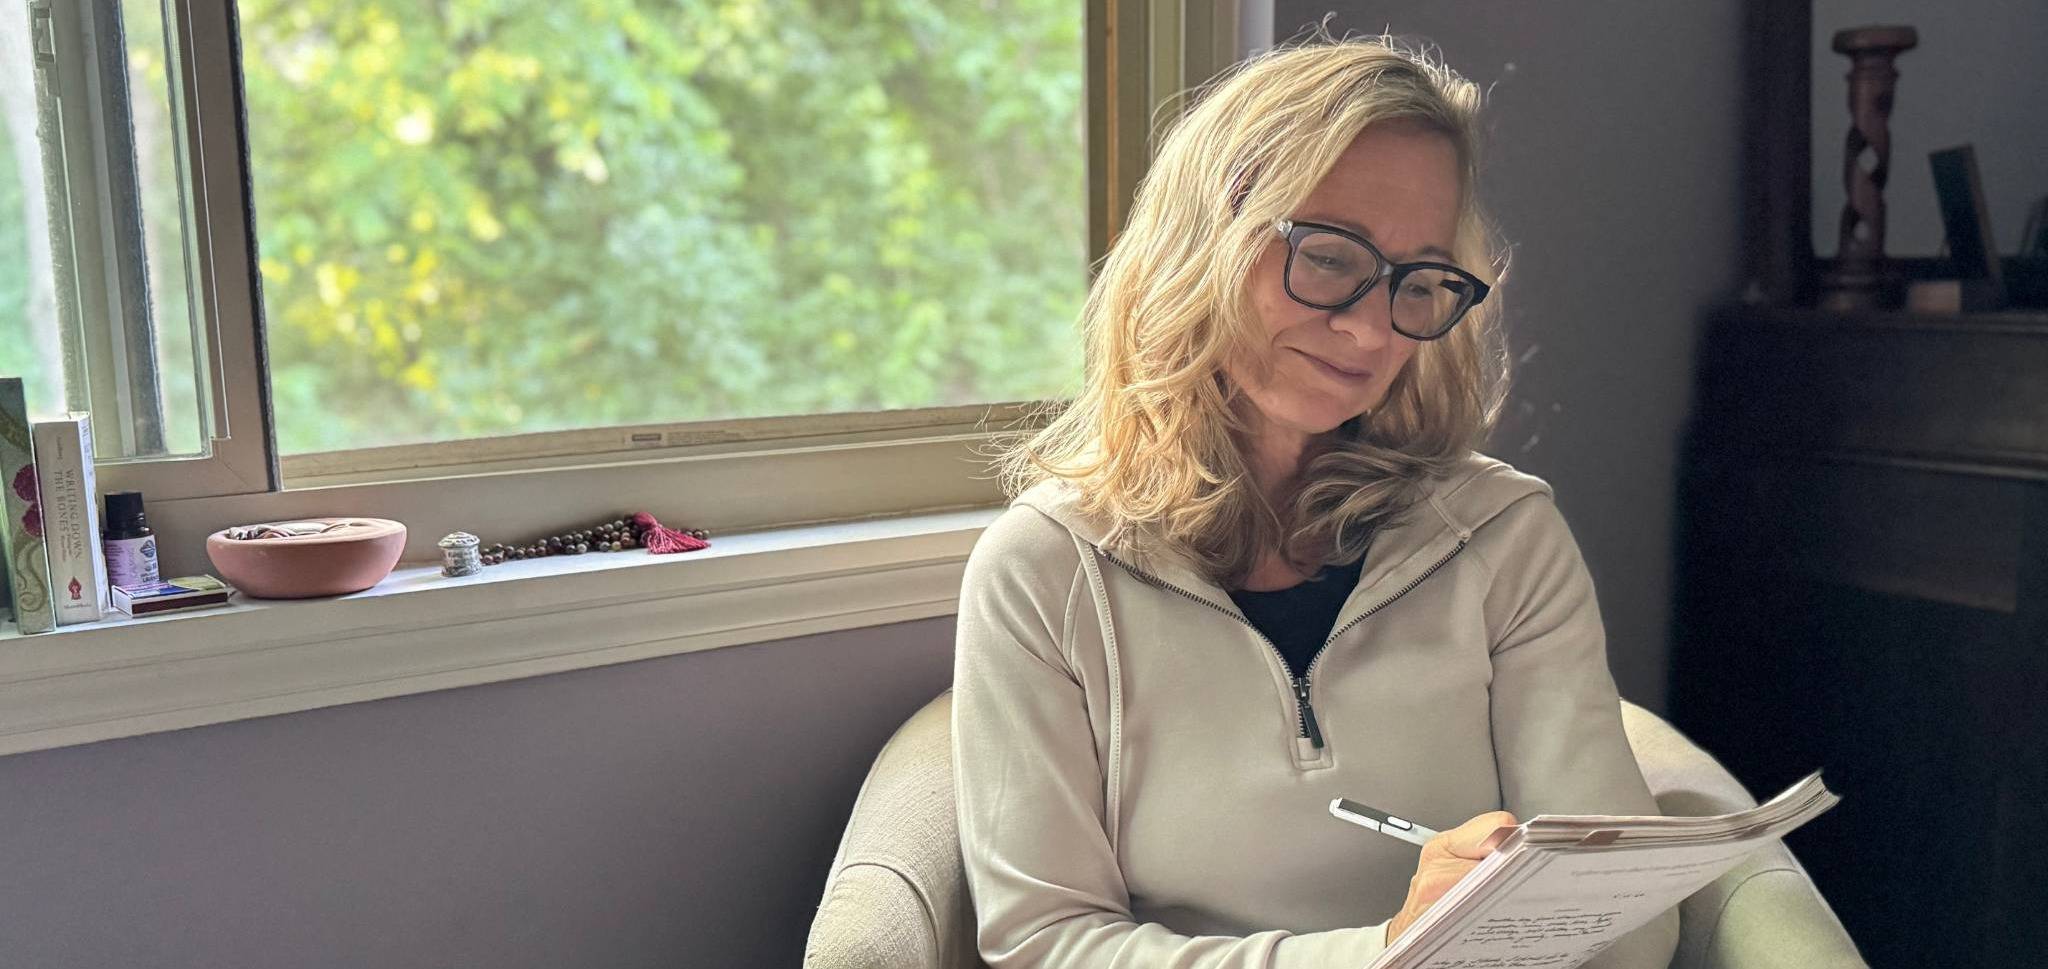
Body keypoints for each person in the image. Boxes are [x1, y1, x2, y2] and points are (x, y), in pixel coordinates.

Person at [950, 34, 1681, 969]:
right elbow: (1046, 945)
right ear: (1203, 241)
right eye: (1332, 256)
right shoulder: (1045, 570)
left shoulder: (1507, 538)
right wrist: (1384, 951)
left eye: (1418, 282)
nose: (1372, 327)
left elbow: (1629, 924)